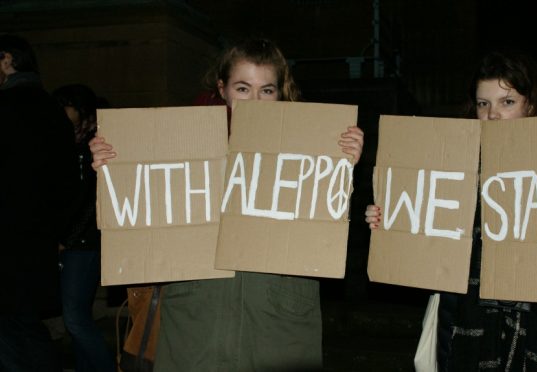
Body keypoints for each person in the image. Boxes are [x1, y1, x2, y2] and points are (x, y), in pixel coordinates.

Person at [90, 37, 364, 371]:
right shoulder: (176, 143)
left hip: (276, 315)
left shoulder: (310, 145)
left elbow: (328, 229)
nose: (255, 100)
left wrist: (343, 166)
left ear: (280, 92)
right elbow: (138, 210)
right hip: (198, 316)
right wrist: (114, 168)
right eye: (243, 88)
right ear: (222, 88)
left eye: (267, 90)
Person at [365, 50, 537, 371]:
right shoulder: (453, 167)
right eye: (483, 103)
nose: (493, 114)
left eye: (507, 102)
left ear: (531, 104)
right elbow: (426, 250)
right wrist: (391, 223)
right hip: (472, 333)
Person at [0, 34, 78, 371]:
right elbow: (67, 182)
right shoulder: (51, 110)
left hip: (8, 240)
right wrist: (58, 232)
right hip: (38, 241)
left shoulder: (6, 106)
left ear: (5, 59)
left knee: (11, 327)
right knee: (22, 323)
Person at [52, 84, 116, 372]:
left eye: (66, 105)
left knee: (75, 318)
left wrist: (68, 239)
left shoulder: (94, 144)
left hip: (84, 243)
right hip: (78, 241)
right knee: (78, 317)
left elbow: (93, 201)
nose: (61, 111)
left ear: (81, 110)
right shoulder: (72, 142)